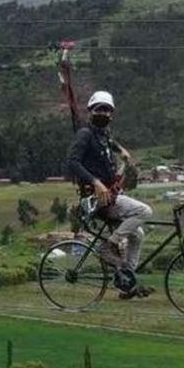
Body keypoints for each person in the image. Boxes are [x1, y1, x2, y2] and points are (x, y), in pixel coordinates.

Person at [66, 90, 153, 299]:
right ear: (90, 112)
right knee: (145, 211)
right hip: (98, 200)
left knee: (137, 235)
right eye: (99, 109)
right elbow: (72, 162)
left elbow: (108, 142)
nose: (103, 114)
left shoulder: (103, 135)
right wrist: (96, 182)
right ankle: (110, 245)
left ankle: (126, 281)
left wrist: (121, 150)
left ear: (111, 115)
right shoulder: (85, 134)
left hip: (110, 196)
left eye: (107, 110)